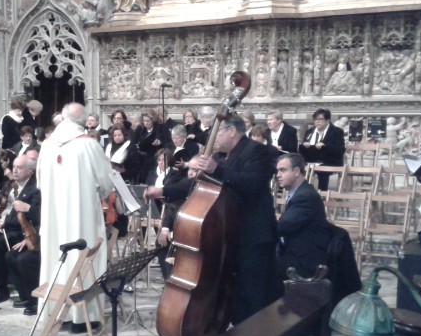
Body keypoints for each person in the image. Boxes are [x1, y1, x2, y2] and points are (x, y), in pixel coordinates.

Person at [148, 115, 278, 324]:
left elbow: (252, 182)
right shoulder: (221, 157)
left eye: (217, 133)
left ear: (232, 131)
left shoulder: (256, 151)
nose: (213, 138)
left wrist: (216, 169)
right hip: (229, 232)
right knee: (234, 291)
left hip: (252, 235)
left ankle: (255, 335)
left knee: (252, 292)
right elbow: (195, 183)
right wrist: (164, 190)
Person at [37, 102, 113, 333]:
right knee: (84, 255)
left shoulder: (47, 145)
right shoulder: (89, 145)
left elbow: (39, 182)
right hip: (83, 215)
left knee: (55, 257)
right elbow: (106, 182)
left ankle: (56, 313)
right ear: (83, 121)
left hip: (53, 216)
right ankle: (84, 318)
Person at [0, 155, 42, 306]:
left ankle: (5, 290)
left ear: (30, 171)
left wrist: (28, 208)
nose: (14, 171)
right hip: (1, 228)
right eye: (14, 167)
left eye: (19, 168)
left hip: (19, 231)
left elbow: (40, 216)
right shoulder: (9, 185)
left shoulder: (36, 188)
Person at [275, 153, 331, 283]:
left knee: (255, 267)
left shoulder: (305, 196)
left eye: (283, 170)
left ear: (296, 172)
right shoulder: (299, 192)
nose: (278, 175)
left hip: (304, 262)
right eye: (277, 171)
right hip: (295, 253)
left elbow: (283, 227)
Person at [299, 108, 346, 191]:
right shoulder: (309, 131)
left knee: (322, 170)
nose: (317, 121)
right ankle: (303, 191)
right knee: (297, 167)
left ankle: (322, 193)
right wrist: (305, 145)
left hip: (330, 161)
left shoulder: (336, 132)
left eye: (320, 119)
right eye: (315, 119)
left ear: (327, 120)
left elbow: (340, 150)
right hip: (311, 160)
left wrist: (325, 146)